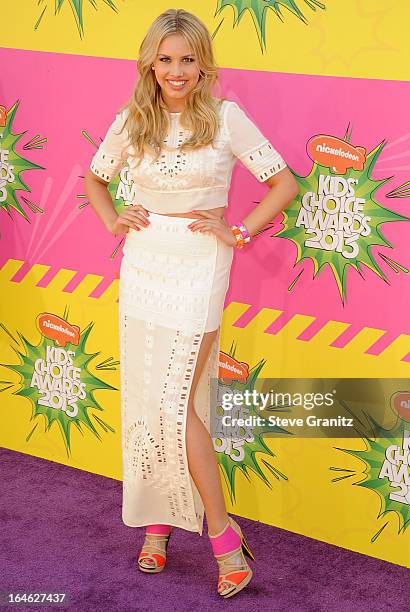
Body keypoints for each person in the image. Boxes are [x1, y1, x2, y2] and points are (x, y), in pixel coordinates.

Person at [84, 7, 298, 599]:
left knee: (177, 406)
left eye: (187, 58)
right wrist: (112, 221)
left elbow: (284, 183)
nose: (176, 70)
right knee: (152, 402)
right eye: (165, 58)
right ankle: (160, 521)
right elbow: (94, 179)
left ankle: (225, 539)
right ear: (150, 63)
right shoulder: (132, 120)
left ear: (202, 62)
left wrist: (243, 230)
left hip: (201, 266)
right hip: (145, 262)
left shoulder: (227, 118)